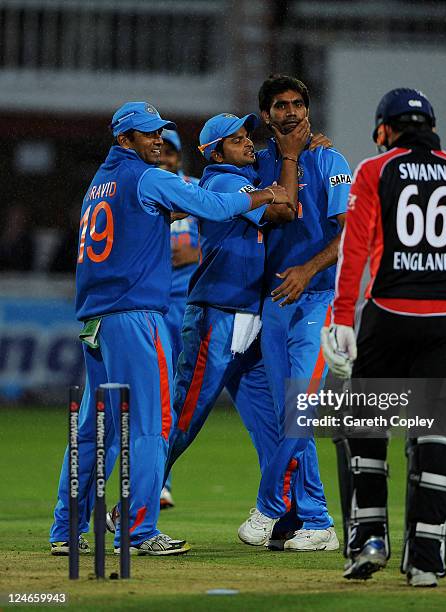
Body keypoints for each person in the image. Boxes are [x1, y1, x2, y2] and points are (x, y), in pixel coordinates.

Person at [49, 101, 289, 557]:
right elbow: (216, 206)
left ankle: (66, 531)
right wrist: (263, 194)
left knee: (93, 431)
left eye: (160, 131)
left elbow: (141, 220)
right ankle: (138, 530)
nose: (157, 139)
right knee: (151, 425)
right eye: (147, 134)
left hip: (95, 322)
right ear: (125, 140)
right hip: (135, 317)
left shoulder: (99, 185)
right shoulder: (148, 177)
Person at [321, 88, 446, 586]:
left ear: (387, 128)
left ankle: (369, 540)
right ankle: (425, 562)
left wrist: (343, 319)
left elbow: (355, 251)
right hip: (445, 322)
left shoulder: (374, 170)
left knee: (365, 429)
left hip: (387, 316)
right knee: (434, 437)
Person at [237, 75, 351, 552]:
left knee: (300, 408)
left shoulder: (332, 160)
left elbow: (349, 237)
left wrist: (307, 268)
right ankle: (316, 521)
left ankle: (271, 508)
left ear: (307, 110)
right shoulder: (256, 165)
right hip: (273, 305)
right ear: (266, 116)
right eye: (280, 106)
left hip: (317, 300)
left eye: (297, 104)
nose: (290, 113)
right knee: (290, 414)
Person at [164, 112, 300, 508]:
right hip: (218, 313)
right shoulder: (223, 180)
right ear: (214, 152)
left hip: (246, 315)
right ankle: (130, 503)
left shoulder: (247, 179)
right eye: (236, 139)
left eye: (247, 136)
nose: (247, 143)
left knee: (272, 424)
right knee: (184, 419)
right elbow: (284, 209)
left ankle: (285, 514)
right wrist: (289, 161)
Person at [159, 128, 200, 510]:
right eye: (161, 151)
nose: (166, 159)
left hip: (188, 306)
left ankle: (158, 479)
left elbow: (225, 239)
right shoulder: (144, 189)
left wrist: (197, 255)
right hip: (152, 303)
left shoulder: (195, 188)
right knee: (158, 395)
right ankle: (158, 481)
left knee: (174, 394)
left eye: (171, 152)